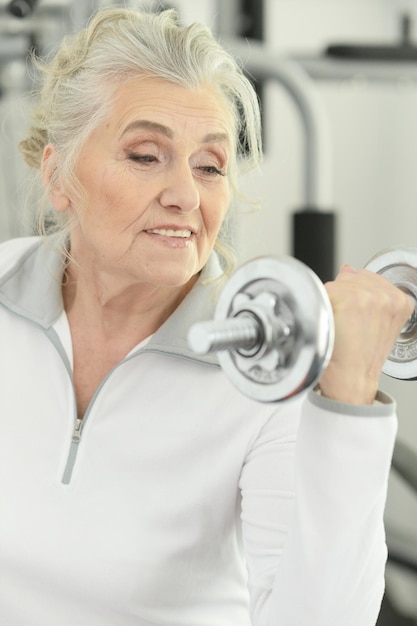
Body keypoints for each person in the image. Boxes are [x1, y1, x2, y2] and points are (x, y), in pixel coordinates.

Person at [0, 7, 413, 626]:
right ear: (58, 176)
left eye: (211, 166)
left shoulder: (266, 378)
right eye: (146, 156)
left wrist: (348, 399)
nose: (187, 196)